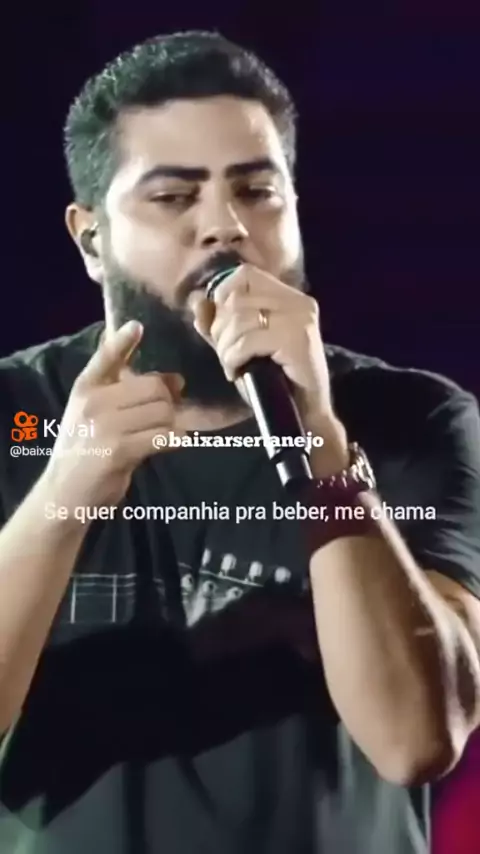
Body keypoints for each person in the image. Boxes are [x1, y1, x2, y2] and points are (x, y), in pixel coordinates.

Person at [0, 29, 479, 854]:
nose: (224, 227)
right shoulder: (15, 410)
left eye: (257, 191)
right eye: (173, 197)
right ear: (90, 239)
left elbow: (418, 739)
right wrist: (63, 494)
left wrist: (323, 444)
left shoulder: (416, 418)